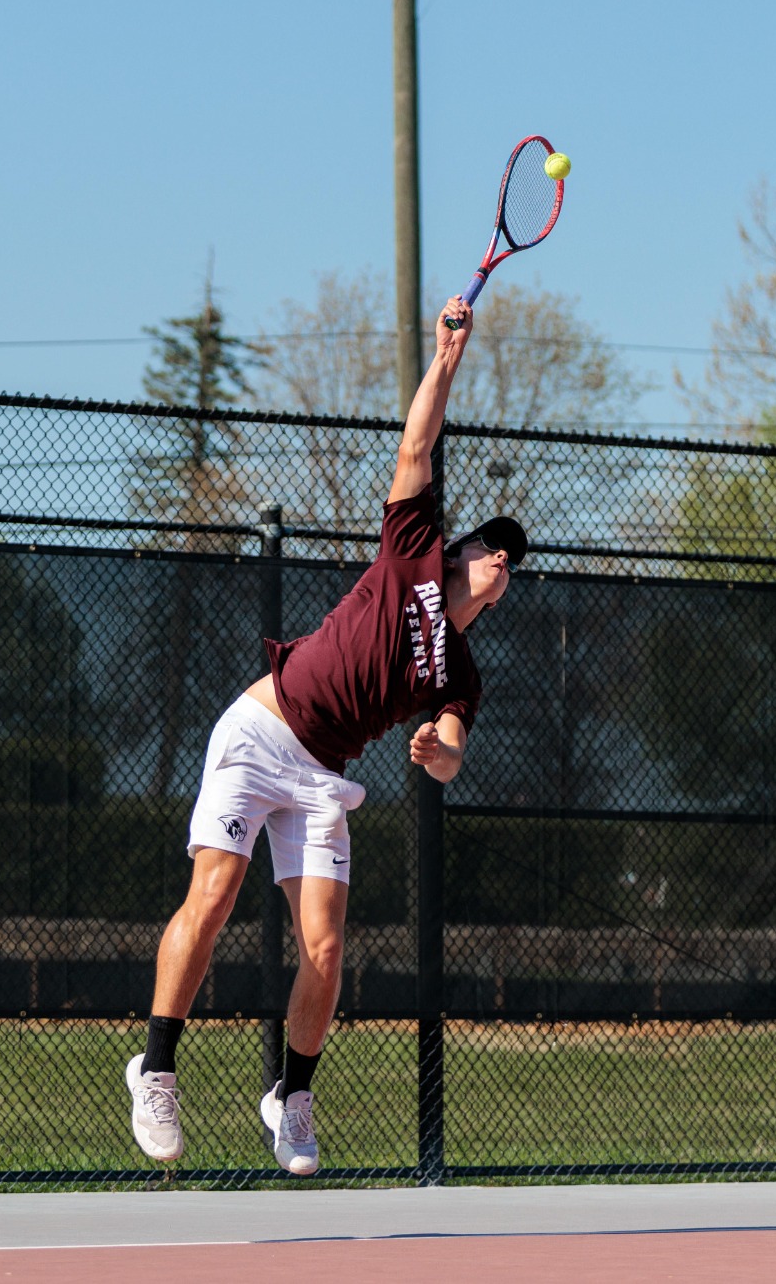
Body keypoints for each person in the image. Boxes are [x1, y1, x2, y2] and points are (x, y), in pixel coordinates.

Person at [123, 295, 526, 1175]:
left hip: (322, 776)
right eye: (491, 543)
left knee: (327, 946)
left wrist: (441, 754)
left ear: (500, 594)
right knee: (213, 898)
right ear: (459, 548)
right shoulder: (413, 550)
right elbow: (417, 446)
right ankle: (154, 1069)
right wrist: (447, 356)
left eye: (512, 558)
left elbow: (451, 749)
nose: (502, 555)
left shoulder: (461, 672)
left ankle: (291, 1096)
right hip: (260, 731)